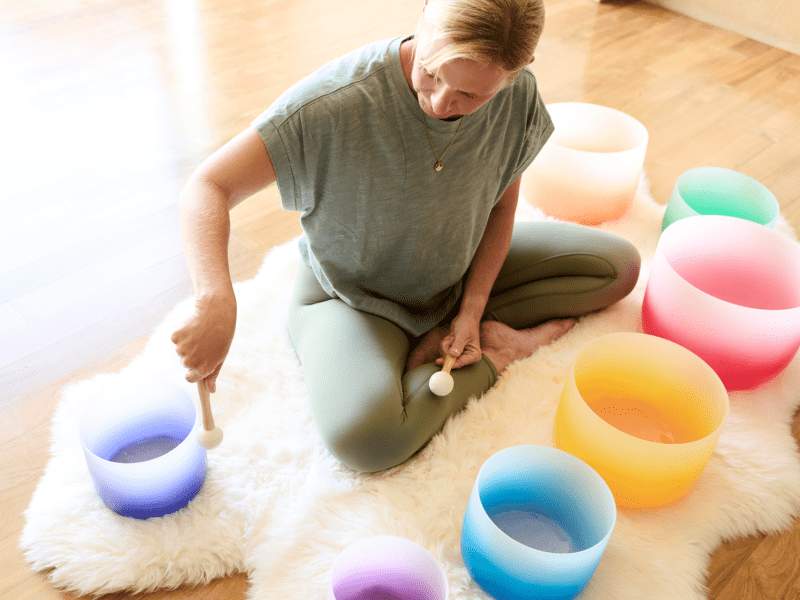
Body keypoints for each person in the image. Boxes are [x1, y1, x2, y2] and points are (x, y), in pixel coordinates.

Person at [171, 0, 641, 473]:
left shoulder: (516, 97)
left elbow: (501, 203)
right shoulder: (334, 102)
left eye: (471, 95)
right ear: (423, 12)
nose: (440, 102)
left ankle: (466, 335)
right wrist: (217, 299)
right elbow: (209, 186)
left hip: (454, 278)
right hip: (352, 299)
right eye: (433, 72)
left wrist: (473, 308)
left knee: (617, 268)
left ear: (516, 72)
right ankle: (497, 357)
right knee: (367, 441)